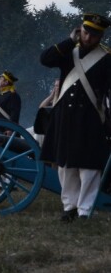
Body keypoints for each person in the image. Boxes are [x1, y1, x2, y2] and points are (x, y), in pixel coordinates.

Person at [40, 12, 111, 221]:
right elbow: (45, 59)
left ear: (101, 36)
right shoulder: (67, 51)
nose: (89, 38)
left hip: (90, 118)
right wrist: (69, 41)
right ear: (80, 30)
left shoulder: (106, 59)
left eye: (94, 35)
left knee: (89, 167)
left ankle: (84, 210)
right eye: (86, 32)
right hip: (65, 116)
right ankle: (69, 207)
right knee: (65, 165)